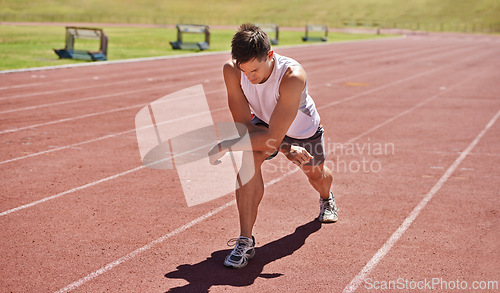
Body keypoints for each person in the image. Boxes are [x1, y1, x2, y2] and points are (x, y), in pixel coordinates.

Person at [208, 23, 338, 269]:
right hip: (264, 125)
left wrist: (228, 144)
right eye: (245, 72)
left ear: (270, 55)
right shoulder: (232, 70)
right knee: (248, 160)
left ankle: (326, 198)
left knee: (316, 175)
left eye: (255, 70)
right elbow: (243, 127)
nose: (251, 78)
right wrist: (239, 143)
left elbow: (275, 139)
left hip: (301, 131)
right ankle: (245, 240)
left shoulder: (292, 76)